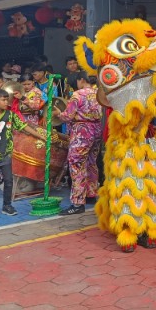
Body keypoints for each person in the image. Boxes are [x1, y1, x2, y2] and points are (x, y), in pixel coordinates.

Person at [0, 89, 45, 218]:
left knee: (8, 181)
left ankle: (7, 205)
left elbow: (24, 126)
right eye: (3, 100)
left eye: (7, 99)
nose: (6, 102)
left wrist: (40, 136)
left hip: (6, 154)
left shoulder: (11, 115)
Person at [53, 71, 103, 215]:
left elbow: (68, 116)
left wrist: (58, 114)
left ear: (81, 80)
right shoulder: (98, 92)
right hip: (96, 130)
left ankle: (77, 202)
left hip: (82, 132)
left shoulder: (77, 95)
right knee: (92, 163)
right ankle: (91, 194)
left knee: (76, 165)